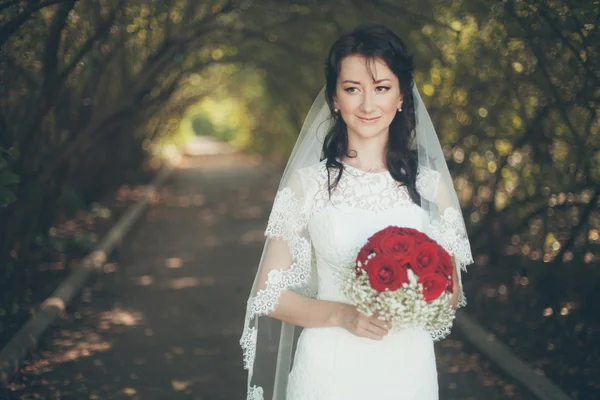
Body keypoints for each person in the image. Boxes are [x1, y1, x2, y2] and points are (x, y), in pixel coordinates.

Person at [240, 24, 473, 400]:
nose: (368, 105)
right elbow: (269, 295)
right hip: (328, 370)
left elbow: (450, 293)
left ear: (400, 97)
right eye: (352, 89)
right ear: (334, 99)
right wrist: (342, 315)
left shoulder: (431, 187)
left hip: (406, 370)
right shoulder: (307, 186)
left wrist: (407, 296)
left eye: (381, 88)